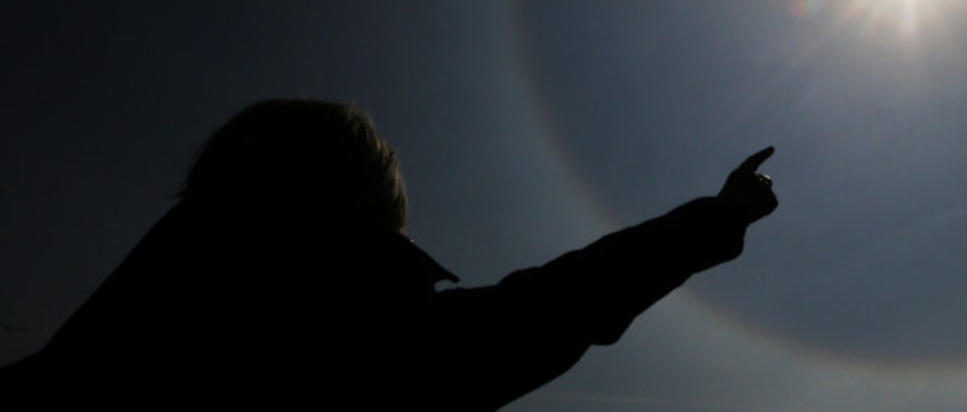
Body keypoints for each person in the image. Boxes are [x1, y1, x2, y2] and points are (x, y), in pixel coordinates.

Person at [0, 99, 778, 409]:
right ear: (371, 210)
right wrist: (721, 217)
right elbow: (560, 301)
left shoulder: (79, 363)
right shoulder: (382, 349)